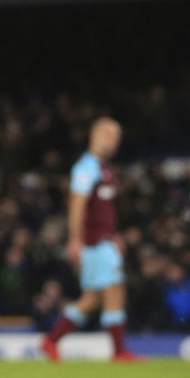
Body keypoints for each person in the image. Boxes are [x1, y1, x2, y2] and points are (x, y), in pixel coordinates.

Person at [38, 118, 145, 364]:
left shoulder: (103, 168)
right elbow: (77, 203)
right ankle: (119, 351)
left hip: (103, 240)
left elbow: (103, 209)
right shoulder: (86, 167)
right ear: (96, 137)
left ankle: (51, 340)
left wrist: (114, 233)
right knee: (115, 291)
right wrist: (75, 240)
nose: (116, 141)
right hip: (95, 243)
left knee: (93, 299)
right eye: (111, 135)